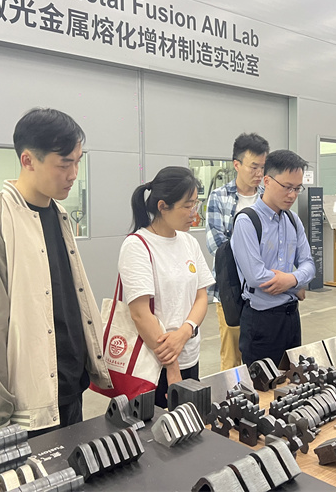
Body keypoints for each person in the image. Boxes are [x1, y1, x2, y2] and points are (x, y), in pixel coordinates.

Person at [0, 108, 112, 436]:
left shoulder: (59, 215)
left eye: (78, 162)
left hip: (70, 386)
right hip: (25, 404)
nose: (73, 174)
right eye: (64, 164)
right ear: (28, 160)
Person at [118, 167, 215, 408]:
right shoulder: (137, 246)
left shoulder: (189, 242)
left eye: (195, 204)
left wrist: (185, 331)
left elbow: (201, 296)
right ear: (163, 206)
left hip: (189, 354)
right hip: (154, 365)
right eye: (187, 206)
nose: (194, 213)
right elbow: (140, 314)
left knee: (190, 422)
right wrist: (172, 367)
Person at [230, 149, 315, 367]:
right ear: (267, 181)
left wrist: (291, 280)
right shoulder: (247, 222)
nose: (292, 195)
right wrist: (296, 286)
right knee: (263, 384)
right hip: (261, 322)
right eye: (287, 187)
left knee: (293, 379)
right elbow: (257, 277)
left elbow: (309, 265)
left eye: (297, 188)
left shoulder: (293, 220)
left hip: (291, 318)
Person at [206, 133, 269, 371]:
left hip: (264, 289)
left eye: (262, 167)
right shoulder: (219, 197)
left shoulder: (268, 196)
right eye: (254, 167)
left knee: (262, 355)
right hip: (230, 290)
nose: (259, 173)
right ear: (237, 165)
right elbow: (216, 244)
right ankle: (232, 395)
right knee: (232, 358)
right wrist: (252, 257)